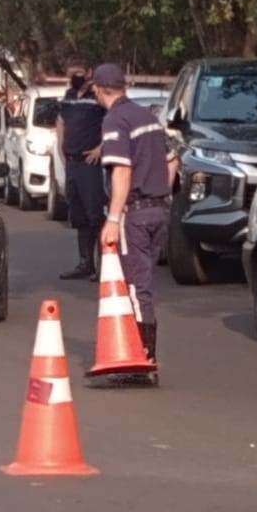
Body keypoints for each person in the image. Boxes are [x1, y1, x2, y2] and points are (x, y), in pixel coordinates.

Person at [95, 62, 177, 379]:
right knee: (142, 282)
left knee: (135, 286)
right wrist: (161, 194)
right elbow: (173, 161)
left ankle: (144, 357)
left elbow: (122, 170)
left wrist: (114, 218)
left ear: (99, 89)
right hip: (159, 210)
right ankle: (138, 351)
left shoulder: (115, 120)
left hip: (136, 213)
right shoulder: (147, 117)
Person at [55, 59, 107, 280]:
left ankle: (104, 265)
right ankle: (85, 263)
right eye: (71, 73)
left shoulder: (98, 97)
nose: (75, 77)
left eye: (78, 73)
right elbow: (61, 123)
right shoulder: (68, 97)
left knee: (95, 215)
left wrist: (101, 148)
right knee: (78, 216)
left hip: (91, 165)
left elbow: (114, 123)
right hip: (72, 163)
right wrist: (61, 149)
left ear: (88, 72)